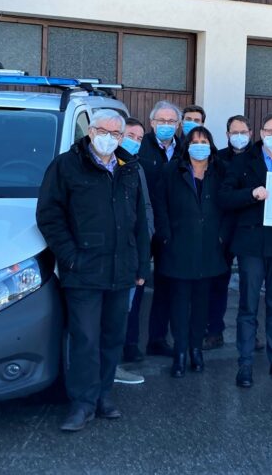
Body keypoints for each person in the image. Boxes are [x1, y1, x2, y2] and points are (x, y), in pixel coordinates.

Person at [36, 110, 150, 432]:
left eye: (117, 134)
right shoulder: (66, 165)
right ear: (90, 131)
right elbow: (49, 215)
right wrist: (70, 256)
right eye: (104, 131)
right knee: (85, 338)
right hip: (83, 269)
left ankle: (102, 395)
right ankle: (82, 403)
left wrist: (142, 264)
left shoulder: (129, 168)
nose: (109, 138)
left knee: (112, 337)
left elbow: (140, 221)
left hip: (121, 269)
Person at [219, 113, 272, 387]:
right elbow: (225, 197)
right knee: (248, 305)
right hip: (251, 243)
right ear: (261, 132)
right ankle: (245, 364)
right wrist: (251, 194)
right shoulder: (242, 161)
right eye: (269, 130)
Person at [153, 125, 228, 378]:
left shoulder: (220, 170)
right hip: (178, 246)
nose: (199, 144)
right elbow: (159, 205)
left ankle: (196, 349)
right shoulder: (171, 170)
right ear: (187, 144)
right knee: (179, 303)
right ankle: (181, 352)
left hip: (209, 248)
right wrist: (166, 235)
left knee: (201, 304)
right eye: (194, 140)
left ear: (211, 144)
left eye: (204, 140)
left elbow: (230, 206)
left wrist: (222, 235)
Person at [205, 114, 253, 351]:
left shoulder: (259, 158)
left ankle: (250, 335)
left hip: (250, 231)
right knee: (218, 282)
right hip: (223, 230)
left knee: (250, 285)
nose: (239, 137)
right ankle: (214, 331)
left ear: (251, 134)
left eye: (243, 132)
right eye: (235, 132)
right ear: (227, 135)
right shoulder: (218, 159)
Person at [140, 101, 183, 359]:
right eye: (161, 121)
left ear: (178, 125)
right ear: (152, 122)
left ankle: (157, 339)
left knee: (165, 287)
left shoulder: (184, 151)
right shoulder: (139, 146)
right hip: (143, 227)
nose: (166, 126)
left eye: (171, 122)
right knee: (136, 286)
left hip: (170, 228)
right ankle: (129, 343)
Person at [121, 116, 154, 369]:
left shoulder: (136, 167)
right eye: (129, 136)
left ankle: (120, 357)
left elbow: (144, 210)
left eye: (138, 139)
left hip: (132, 251)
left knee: (127, 309)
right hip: (101, 256)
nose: (133, 142)